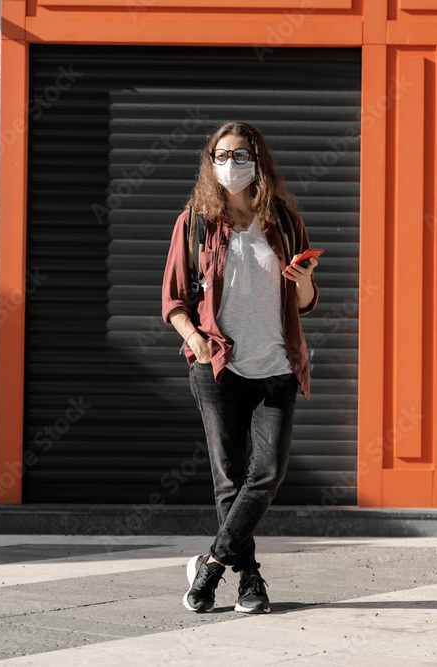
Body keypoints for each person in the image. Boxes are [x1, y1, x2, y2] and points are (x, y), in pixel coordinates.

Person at [161, 121, 318, 613]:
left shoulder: (285, 222)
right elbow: (174, 300)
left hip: (278, 365)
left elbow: (305, 302)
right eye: (222, 156)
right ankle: (249, 578)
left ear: (258, 161)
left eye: (241, 155)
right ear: (211, 163)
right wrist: (194, 340)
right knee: (229, 478)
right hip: (218, 367)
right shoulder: (194, 223)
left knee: (267, 473)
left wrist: (303, 279)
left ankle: (209, 566)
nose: (231, 164)